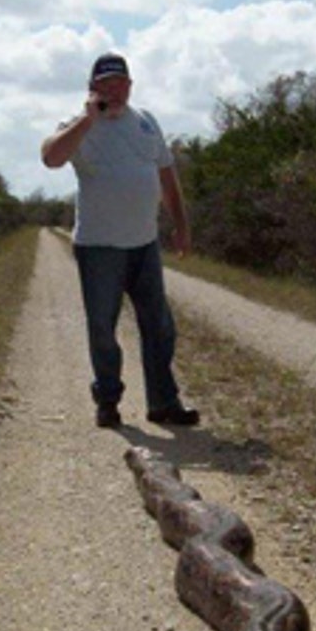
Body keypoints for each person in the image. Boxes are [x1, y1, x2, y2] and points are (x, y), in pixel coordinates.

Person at [40, 52, 198, 429]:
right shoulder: (78, 126)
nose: (115, 89)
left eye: (120, 82)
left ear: (130, 85)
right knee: (102, 327)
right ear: (93, 88)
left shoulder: (145, 122)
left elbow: (167, 175)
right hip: (99, 247)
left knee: (158, 326)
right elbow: (51, 157)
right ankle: (108, 400)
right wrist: (88, 120)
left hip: (143, 243)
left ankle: (164, 402)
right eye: (105, 83)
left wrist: (181, 224)